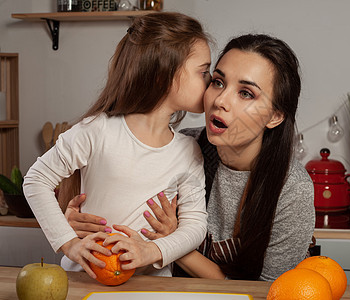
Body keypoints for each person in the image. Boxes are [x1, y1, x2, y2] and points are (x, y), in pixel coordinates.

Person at [65, 34, 315, 281]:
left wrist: (172, 240)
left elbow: (269, 291)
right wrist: (81, 223)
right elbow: (125, 211)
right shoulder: (183, 148)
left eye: (246, 93)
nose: (220, 100)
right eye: (218, 82)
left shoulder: (292, 190)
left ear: (275, 116)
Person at [23, 12, 211, 279]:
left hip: (153, 289)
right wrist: (70, 244)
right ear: (162, 76)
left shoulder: (188, 151)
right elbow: (36, 180)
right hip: (86, 281)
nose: (211, 80)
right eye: (203, 71)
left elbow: (194, 227)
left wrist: (151, 252)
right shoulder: (97, 130)